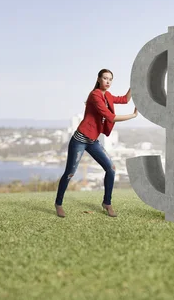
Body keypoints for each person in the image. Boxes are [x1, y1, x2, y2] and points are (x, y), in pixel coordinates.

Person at [54, 68, 138, 218]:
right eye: (105, 78)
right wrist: (132, 116)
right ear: (99, 79)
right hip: (79, 140)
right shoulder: (95, 95)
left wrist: (134, 84)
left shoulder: (108, 95)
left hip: (92, 141)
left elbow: (125, 99)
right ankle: (58, 204)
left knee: (111, 169)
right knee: (70, 173)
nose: (108, 81)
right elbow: (110, 117)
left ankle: (107, 202)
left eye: (110, 79)